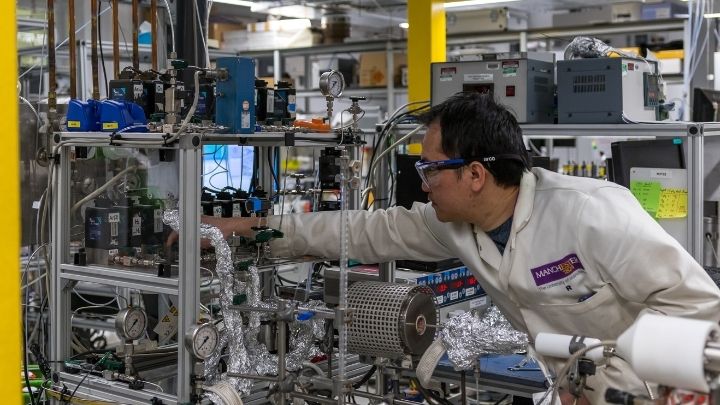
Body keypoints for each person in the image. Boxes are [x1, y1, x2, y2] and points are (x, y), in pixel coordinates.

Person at [199, 92, 720, 403]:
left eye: (429, 169)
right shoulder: (455, 224)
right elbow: (360, 231)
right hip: (567, 389)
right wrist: (251, 227)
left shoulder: (593, 213)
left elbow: (700, 312)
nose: (422, 182)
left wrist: (612, 383)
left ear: (475, 174)